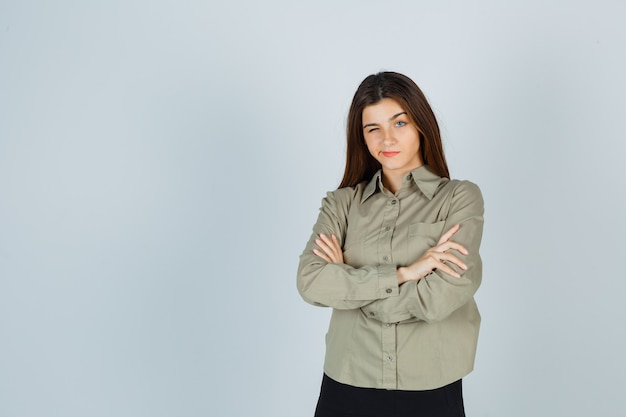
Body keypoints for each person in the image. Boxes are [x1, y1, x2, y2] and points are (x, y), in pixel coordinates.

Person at [297, 71, 484, 417]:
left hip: (430, 385)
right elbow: (310, 282)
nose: (387, 139)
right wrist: (403, 274)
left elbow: (441, 296)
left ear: (420, 124)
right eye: (373, 129)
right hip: (347, 380)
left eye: (399, 123)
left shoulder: (459, 198)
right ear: (362, 137)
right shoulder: (341, 205)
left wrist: (355, 290)